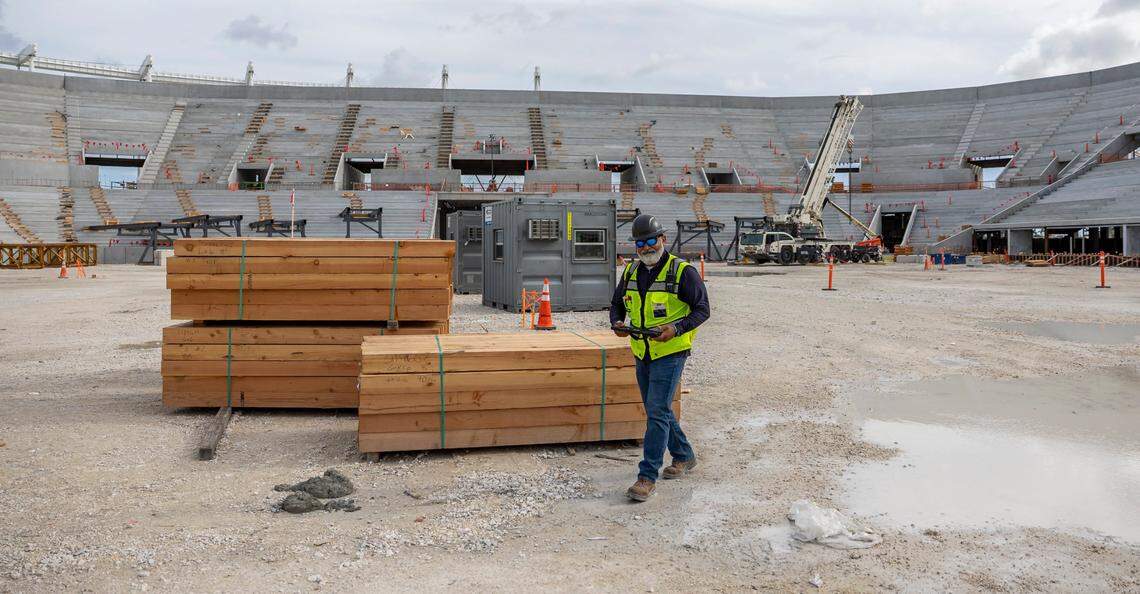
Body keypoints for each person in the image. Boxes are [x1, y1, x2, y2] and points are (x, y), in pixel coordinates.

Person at [610, 214, 710, 502]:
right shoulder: (630, 272)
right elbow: (617, 304)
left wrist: (676, 329)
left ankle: (646, 476)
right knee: (660, 409)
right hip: (642, 351)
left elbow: (702, 310)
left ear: (663, 239)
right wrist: (617, 323)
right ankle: (684, 455)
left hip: (670, 351)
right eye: (640, 243)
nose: (645, 247)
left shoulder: (682, 272)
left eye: (651, 241)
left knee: (655, 410)